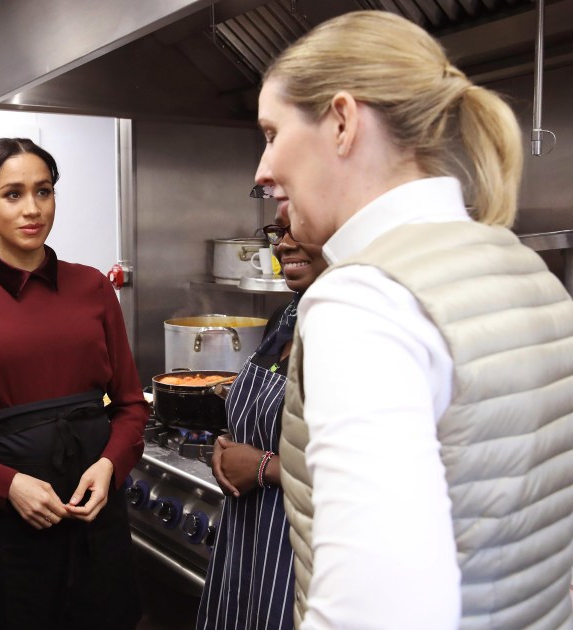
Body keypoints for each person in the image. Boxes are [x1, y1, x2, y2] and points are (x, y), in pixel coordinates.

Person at [253, 10, 573, 629]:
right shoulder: (528, 270)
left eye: (271, 132)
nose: (262, 170)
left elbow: (380, 613)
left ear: (342, 121)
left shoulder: (363, 301)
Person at [0, 137, 149, 630]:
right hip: (9, 528)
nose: (32, 209)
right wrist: (7, 485)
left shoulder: (93, 288)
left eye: (44, 191)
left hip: (97, 519)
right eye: (12, 194)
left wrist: (109, 466)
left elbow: (128, 404)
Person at [197, 209, 327, 630]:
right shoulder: (286, 319)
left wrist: (262, 466)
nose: (284, 243)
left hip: (303, 551)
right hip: (248, 538)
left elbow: (373, 473)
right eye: (278, 231)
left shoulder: (351, 331)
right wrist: (228, 443)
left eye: (299, 229)